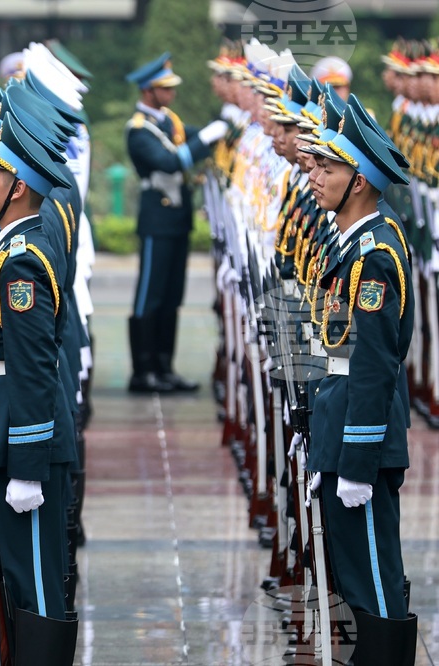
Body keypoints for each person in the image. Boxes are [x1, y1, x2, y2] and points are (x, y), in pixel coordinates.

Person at [0, 111, 78, 665]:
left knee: (34, 583)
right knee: (19, 577)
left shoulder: (20, 263)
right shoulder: (5, 248)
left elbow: (32, 366)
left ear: (18, 187)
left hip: (24, 435)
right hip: (4, 427)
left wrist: (27, 464)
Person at [304, 101, 418, 664]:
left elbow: (372, 364)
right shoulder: (352, 244)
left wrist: (356, 461)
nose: (315, 174)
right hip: (342, 423)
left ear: (359, 181)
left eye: (328, 167)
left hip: (361, 438)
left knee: (374, 577)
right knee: (357, 576)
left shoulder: (373, 256)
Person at [124, 53, 228, 393]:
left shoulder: (170, 121)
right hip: (157, 220)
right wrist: (207, 138)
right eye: (164, 89)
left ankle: (165, 367)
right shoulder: (139, 131)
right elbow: (171, 161)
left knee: (171, 297)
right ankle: (143, 370)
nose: (171, 94)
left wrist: (220, 129)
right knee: (150, 296)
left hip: (177, 219)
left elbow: (191, 140)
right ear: (148, 91)